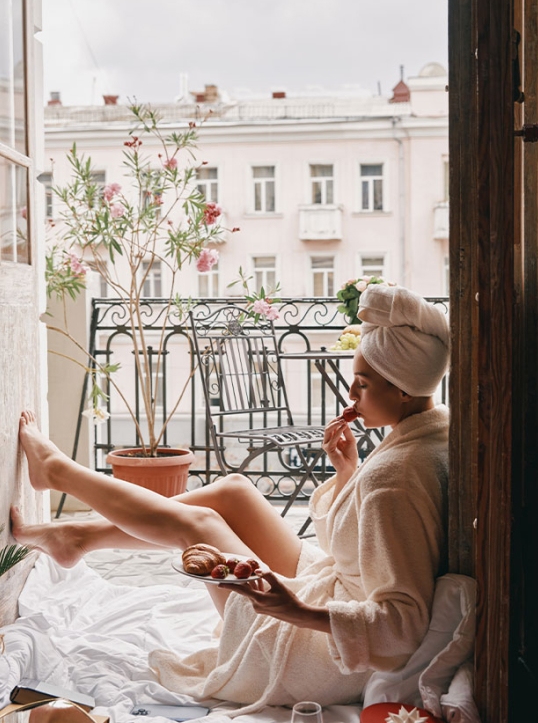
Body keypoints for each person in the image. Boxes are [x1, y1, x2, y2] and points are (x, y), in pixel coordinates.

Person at [13, 284, 450, 714]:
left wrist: (296, 610)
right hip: (334, 591)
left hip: (323, 653)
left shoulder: (394, 480)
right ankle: (80, 536)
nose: (350, 395)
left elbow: (403, 627)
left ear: (403, 389)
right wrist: (347, 474)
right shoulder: (430, 430)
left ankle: (59, 473)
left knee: (199, 526)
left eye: (363, 384)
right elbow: (360, 545)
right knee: (235, 490)